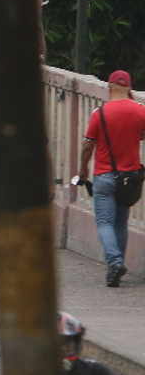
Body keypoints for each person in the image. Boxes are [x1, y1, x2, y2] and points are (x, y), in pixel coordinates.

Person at [76, 70, 145, 287]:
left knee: (105, 222)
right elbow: (141, 134)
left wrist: (83, 168)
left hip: (104, 177)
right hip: (129, 179)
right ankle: (116, 268)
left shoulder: (100, 113)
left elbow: (88, 145)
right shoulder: (140, 111)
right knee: (120, 223)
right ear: (129, 89)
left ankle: (114, 263)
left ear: (109, 88)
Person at [58, 312, 145, 375]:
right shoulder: (37, 373)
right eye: (58, 342)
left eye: (68, 342)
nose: (64, 348)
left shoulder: (92, 370)